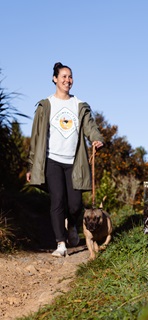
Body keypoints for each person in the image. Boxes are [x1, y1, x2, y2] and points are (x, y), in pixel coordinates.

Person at [26, 62, 104, 257]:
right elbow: (36, 137)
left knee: (75, 204)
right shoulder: (46, 105)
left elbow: (90, 127)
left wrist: (96, 138)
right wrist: (30, 165)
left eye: (70, 77)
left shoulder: (79, 105)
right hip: (52, 160)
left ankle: (72, 226)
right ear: (55, 79)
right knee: (57, 200)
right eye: (63, 76)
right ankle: (60, 243)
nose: (67, 80)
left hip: (74, 162)